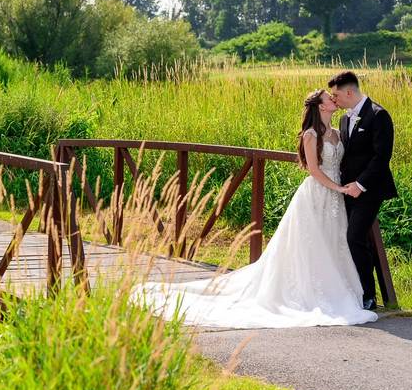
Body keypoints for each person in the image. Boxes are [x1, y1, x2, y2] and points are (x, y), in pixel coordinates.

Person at [132, 88, 378, 328]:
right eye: (329, 97)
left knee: (333, 242)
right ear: (321, 106)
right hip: (318, 193)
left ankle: (339, 290)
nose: (334, 99)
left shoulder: (337, 132)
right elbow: (313, 170)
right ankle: (309, 292)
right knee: (312, 243)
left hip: (336, 197)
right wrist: (338, 188)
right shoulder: (311, 134)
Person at [329, 70, 398, 311]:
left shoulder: (379, 115)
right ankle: (354, 290)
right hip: (347, 189)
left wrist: (360, 185)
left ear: (349, 92)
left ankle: (368, 295)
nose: (334, 99)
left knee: (355, 236)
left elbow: (382, 157)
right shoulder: (345, 119)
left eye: (336, 95)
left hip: (371, 189)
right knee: (352, 238)